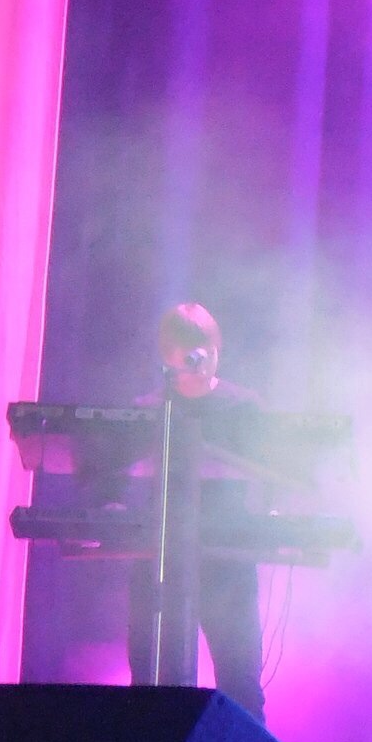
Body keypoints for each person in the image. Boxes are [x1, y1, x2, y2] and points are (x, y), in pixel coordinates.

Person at [124, 302, 269, 720]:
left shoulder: (244, 408)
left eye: (207, 348)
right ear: (166, 356)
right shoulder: (149, 410)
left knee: (240, 684)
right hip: (160, 561)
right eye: (188, 351)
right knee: (150, 685)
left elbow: (277, 472)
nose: (200, 358)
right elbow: (107, 471)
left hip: (228, 560)